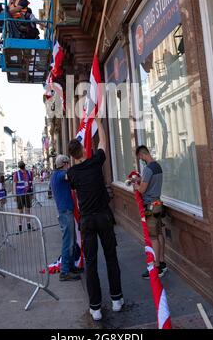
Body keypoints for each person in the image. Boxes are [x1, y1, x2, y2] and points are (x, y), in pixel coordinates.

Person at [67, 118, 123, 321]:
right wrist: (97, 122)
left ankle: (96, 308)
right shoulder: (95, 162)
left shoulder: (71, 173)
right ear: (83, 149)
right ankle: (117, 300)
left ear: (72, 156)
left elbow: (73, 186)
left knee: (91, 263)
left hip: (87, 221)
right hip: (103, 217)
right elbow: (103, 144)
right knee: (111, 257)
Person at [135, 145, 167, 279]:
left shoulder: (148, 169)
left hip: (150, 207)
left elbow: (142, 190)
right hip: (158, 204)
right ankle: (162, 261)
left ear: (142, 155)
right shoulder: (157, 166)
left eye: (140, 157)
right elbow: (151, 183)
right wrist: (140, 181)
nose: (140, 160)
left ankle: (156, 266)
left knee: (153, 237)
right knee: (159, 233)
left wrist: (135, 184)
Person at [50, 154, 82, 282]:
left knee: (71, 241)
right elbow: (70, 175)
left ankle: (70, 266)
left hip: (66, 211)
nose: (69, 166)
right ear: (64, 164)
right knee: (68, 241)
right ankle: (64, 271)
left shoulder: (56, 175)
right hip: (65, 211)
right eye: (68, 163)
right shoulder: (59, 175)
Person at [13, 161, 33, 232]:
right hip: (20, 195)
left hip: (27, 194)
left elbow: (31, 183)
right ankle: (20, 226)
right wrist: (15, 195)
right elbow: (14, 185)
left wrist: (31, 194)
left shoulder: (30, 173)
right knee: (21, 211)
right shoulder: (16, 174)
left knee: (27, 210)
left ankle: (28, 225)